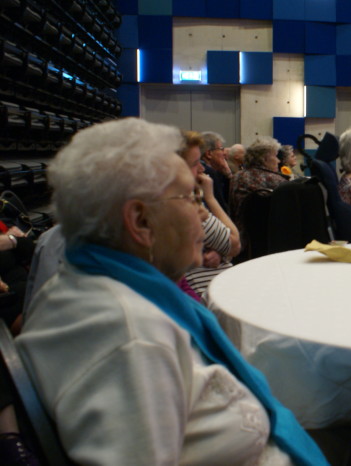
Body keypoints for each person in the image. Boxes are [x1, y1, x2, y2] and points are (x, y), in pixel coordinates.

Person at [16, 118, 328, 465]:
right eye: (191, 197)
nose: (202, 213)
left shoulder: (86, 281)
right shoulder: (131, 336)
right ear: (141, 221)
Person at [179, 131, 242, 301]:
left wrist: (221, 252)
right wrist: (210, 197)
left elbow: (225, 242)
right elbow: (234, 244)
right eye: (195, 164)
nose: (202, 169)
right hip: (208, 293)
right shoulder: (185, 205)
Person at [230, 136, 289, 221]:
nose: (278, 161)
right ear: (264, 159)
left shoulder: (236, 176)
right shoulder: (276, 180)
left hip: (239, 227)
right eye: (276, 156)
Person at [200, 131, 232, 214]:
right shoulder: (208, 173)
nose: (224, 153)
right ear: (209, 154)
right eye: (221, 149)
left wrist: (227, 174)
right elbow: (223, 209)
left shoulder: (218, 172)